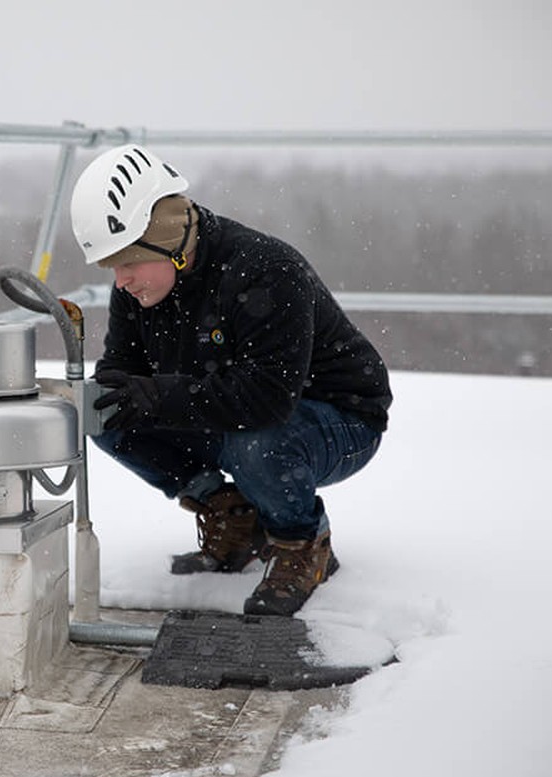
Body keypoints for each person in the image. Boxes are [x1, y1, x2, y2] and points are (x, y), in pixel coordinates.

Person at [70, 144, 392, 616]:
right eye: (112, 268)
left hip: (338, 419)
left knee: (256, 443)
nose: (120, 281)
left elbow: (266, 398)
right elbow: (122, 370)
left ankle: (302, 542)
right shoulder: (139, 293)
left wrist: (159, 395)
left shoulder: (265, 271)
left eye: (127, 263)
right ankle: (233, 516)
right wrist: (116, 392)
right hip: (236, 414)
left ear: (166, 242)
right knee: (108, 414)